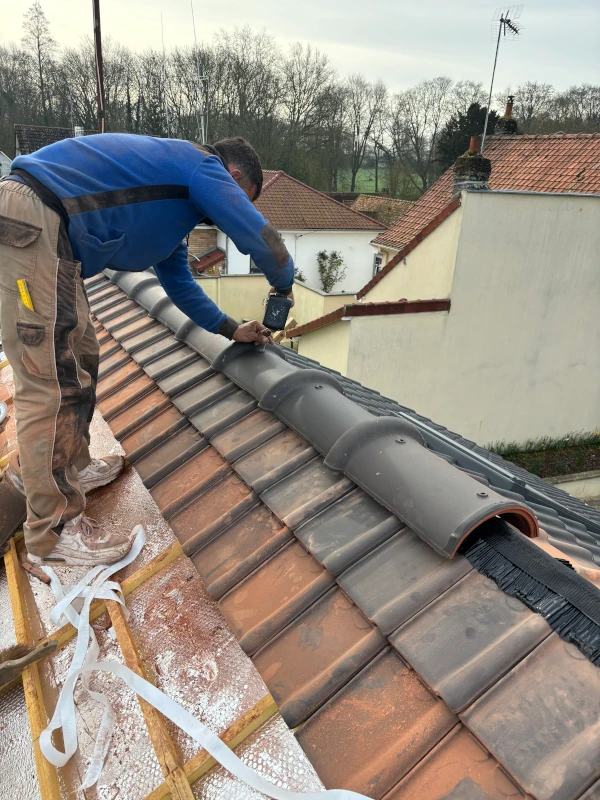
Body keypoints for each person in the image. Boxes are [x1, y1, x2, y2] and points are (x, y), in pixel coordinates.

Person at [0, 134, 295, 567]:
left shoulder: (171, 208)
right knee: (51, 381)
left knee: (82, 353)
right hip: (35, 220)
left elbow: (180, 285)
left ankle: (73, 466)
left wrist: (233, 330)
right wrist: (283, 282)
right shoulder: (200, 166)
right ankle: (52, 533)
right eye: (240, 196)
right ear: (233, 178)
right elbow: (255, 231)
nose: (230, 204)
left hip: (48, 232)